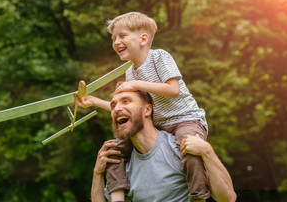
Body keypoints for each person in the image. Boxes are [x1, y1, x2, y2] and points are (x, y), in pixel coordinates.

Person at [78, 12, 209, 201]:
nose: (116, 42)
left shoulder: (159, 57)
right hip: (159, 126)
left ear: (143, 39)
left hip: (184, 119)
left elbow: (173, 90)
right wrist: (95, 102)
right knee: (114, 149)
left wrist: (136, 85)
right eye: (113, 38)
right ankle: (117, 196)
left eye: (122, 36)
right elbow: (131, 111)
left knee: (189, 148)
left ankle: (198, 196)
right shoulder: (131, 73)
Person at [90, 89, 236, 202]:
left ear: (147, 110)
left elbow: (227, 198)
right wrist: (97, 174)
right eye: (113, 105)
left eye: (126, 101)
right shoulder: (121, 162)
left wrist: (207, 151)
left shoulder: (180, 147)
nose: (116, 109)